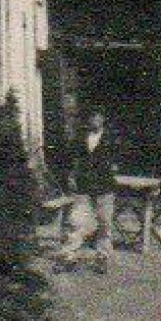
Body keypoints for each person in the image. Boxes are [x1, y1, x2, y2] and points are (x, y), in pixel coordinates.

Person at [70, 109, 119, 265]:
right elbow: (75, 158)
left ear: (103, 119)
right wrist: (72, 176)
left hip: (104, 185)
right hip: (84, 184)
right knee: (79, 219)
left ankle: (102, 255)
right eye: (92, 118)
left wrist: (114, 167)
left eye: (97, 118)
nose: (94, 121)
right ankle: (73, 253)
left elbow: (119, 157)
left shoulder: (111, 138)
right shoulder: (81, 137)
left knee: (104, 220)